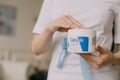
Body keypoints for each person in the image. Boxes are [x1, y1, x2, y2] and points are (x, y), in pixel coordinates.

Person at [32, 0, 120, 80]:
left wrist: (112, 58)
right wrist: (49, 29)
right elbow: (36, 49)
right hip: (59, 75)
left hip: (102, 76)